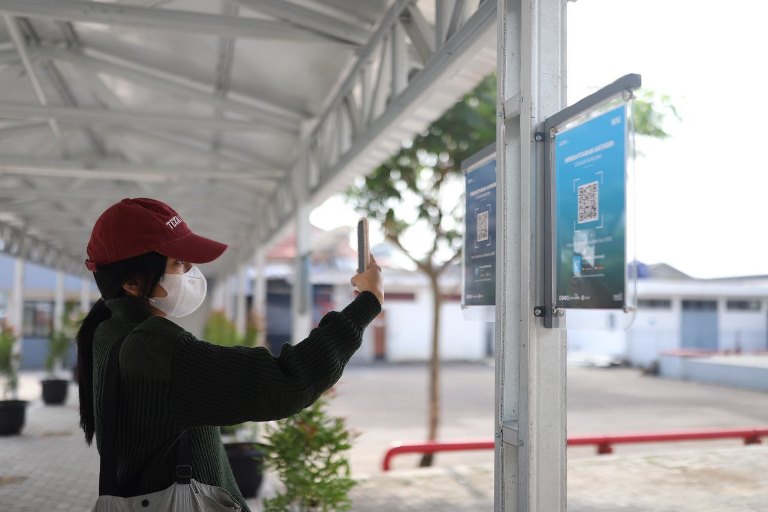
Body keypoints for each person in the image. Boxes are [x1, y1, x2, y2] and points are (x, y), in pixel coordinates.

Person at [76, 198, 383, 511]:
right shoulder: (151, 346)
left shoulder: (108, 331)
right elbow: (288, 382)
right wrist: (367, 302)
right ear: (131, 283)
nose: (191, 271)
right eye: (178, 263)